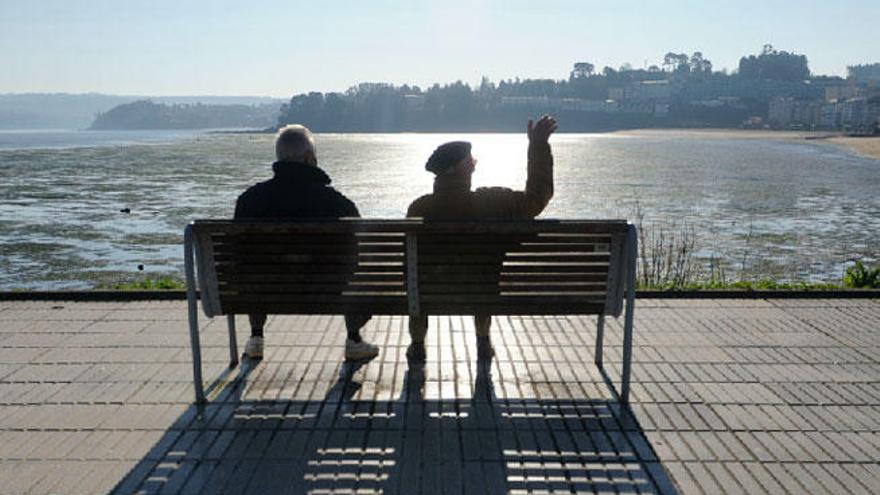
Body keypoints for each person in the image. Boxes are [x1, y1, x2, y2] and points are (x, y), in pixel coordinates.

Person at [405, 115, 558, 361]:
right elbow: (536, 199)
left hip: (430, 293)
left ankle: (418, 344)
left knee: (419, 281)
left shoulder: (419, 209)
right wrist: (538, 146)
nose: (475, 164)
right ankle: (483, 341)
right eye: (470, 161)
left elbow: (408, 265)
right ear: (457, 170)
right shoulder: (492, 202)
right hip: (482, 292)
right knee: (482, 277)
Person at [234, 124, 379, 361]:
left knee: (254, 266)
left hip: (267, 289)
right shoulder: (338, 203)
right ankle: (354, 339)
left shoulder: (250, 200)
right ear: (310, 158)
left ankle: (256, 337)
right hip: (328, 289)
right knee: (354, 266)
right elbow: (361, 251)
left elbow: (239, 256)